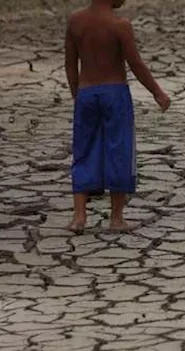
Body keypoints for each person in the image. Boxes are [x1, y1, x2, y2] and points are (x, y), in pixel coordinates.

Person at [64, 0, 171, 234]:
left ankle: (79, 217)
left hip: (87, 93)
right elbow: (136, 63)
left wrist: (77, 95)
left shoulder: (75, 22)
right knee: (119, 151)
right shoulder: (119, 25)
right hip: (115, 94)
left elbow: (70, 65)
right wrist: (157, 92)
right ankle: (116, 218)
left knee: (83, 151)